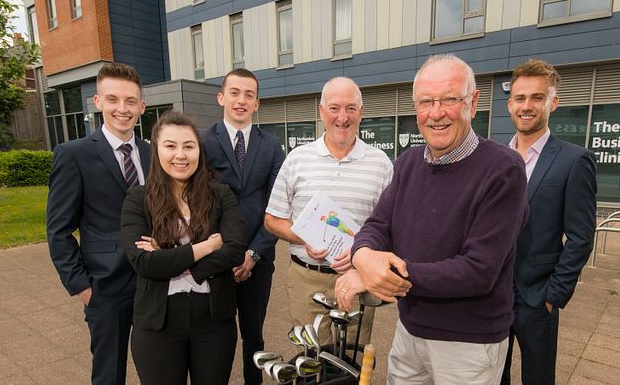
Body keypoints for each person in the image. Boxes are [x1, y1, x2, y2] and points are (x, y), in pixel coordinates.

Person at [339, 54, 529, 384]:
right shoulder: (408, 163)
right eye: (426, 102)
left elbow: (478, 270)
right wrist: (364, 256)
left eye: (449, 99)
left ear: (473, 102)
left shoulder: (504, 169)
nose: (436, 113)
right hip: (410, 331)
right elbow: (378, 224)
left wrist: (379, 276)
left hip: (468, 344)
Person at [264, 76, 393, 346]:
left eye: (351, 108)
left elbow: (392, 225)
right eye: (334, 108)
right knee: (311, 359)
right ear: (322, 111)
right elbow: (272, 220)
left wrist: (363, 252)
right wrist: (304, 237)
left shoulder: (380, 164)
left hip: (357, 278)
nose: (342, 117)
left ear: (361, 112)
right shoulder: (297, 159)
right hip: (306, 278)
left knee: (351, 359)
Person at [121, 111, 246, 384]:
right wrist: (206, 247)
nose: (181, 155)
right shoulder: (137, 199)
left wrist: (170, 258)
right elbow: (144, 263)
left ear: (199, 151)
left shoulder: (220, 194)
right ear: (156, 150)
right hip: (158, 322)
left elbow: (236, 249)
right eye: (170, 146)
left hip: (214, 320)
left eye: (189, 146)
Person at [46, 62, 150, 385]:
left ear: (142, 107)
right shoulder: (73, 155)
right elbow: (58, 230)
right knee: (109, 375)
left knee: (159, 369)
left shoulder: (153, 153)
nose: (122, 109)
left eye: (130, 101)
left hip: (153, 283)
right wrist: (81, 286)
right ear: (98, 102)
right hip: (105, 289)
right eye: (113, 99)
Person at [500, 59, 597, 385]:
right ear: (510, 103)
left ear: (553, 102)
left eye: (537, 98)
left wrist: (554, 294)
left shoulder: (573, 161)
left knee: (537, 380)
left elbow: (581, 237)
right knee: (490, 376)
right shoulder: (496, 160)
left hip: (537, 298)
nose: (527, 106)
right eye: (520, 98)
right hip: (491, 295)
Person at [203, 68, 284, 385]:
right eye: (234, 93)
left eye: (248, 94)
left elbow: (277, 208)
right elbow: (198, 206)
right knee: (217, 339)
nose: (241, 100)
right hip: (216, 259)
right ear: (221, 97)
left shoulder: (272, 147)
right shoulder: (203, 143)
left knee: (254, 337)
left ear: (257, 103)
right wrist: (224, 251)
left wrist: (253, 254)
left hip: (258, 260)